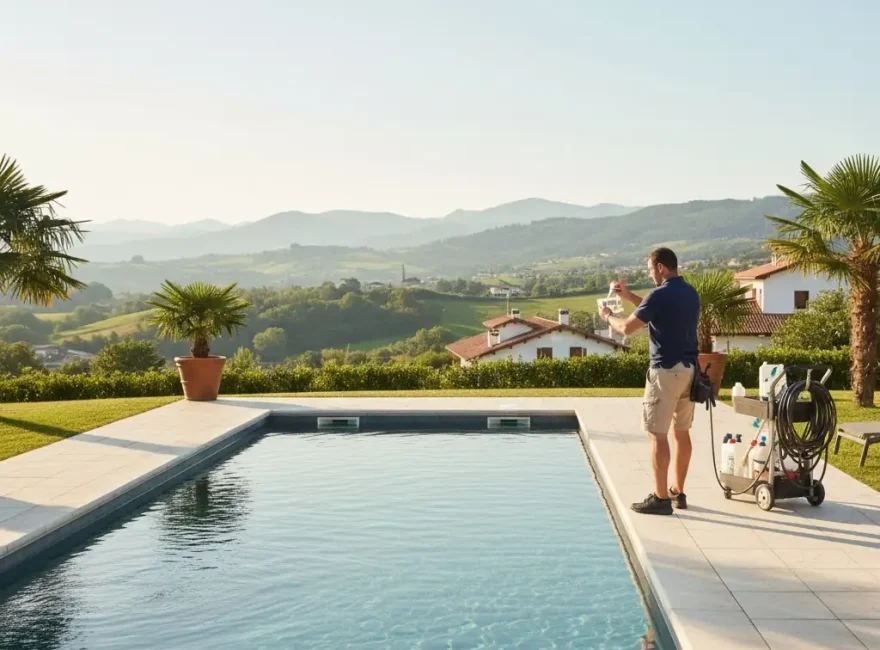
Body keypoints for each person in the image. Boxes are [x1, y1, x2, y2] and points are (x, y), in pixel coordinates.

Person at [600, 247, 700, 515]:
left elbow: (628, 328)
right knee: (682, 433)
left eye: (649, 270)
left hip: (665, 372)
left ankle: (660, 498)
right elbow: (657, 310)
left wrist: (608, 316)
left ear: (660, 268)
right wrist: (629, 296)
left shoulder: (660, 294)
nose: (650, 275)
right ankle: (677, 493)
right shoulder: (689, 293)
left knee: (657, 434)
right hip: (690, 371)